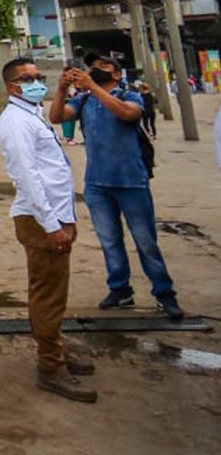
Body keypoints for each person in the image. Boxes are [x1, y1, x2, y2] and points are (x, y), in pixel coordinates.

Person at [49, 53, 185, 320]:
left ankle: (164, 292)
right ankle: (120, 289)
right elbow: (56, 116)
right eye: (93, 67)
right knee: (110, 241)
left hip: (131, 181)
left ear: (117, 74)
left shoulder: (128, 96)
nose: (96, 69)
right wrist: (62, 88)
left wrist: (93, 87)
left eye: (103, 66)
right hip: (97, 184)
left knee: (145, 241)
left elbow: (128, 115)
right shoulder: (84, 99)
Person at [0, 58, 97, 403]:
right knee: (48, 295)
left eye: (39, 76)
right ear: (13, 87)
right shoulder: (15, 123)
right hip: (41, 220)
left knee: (55, 291)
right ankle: (50, 368)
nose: (37, 81)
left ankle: (57, 352)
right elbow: (28, 177)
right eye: (29, 78)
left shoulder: (32, 113)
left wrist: (65, 218)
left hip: (54, 215)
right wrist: (53, 225)